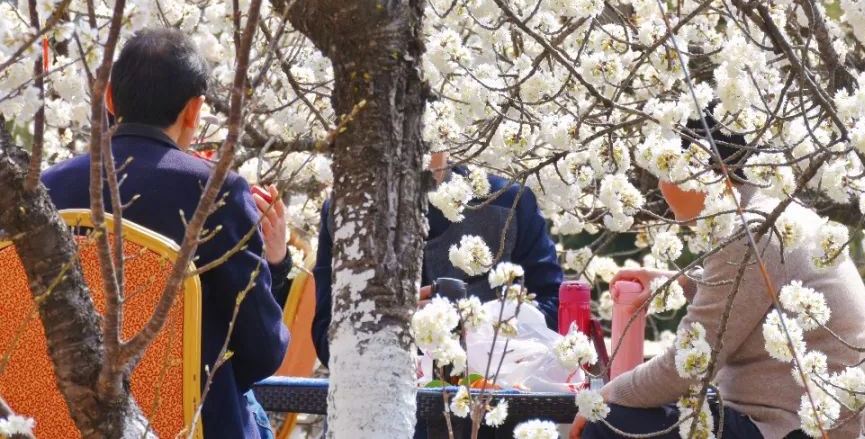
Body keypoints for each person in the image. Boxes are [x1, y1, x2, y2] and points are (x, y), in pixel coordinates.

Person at [42, 28, 291, 439]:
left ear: (109, 98)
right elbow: (262, 350)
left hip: (53, 421)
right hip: (187, 425)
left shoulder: (44, 189)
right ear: (193, 110)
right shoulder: (215, 192)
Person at [572, 111, 865, 439]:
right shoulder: (769, 213)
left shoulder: (747, 231)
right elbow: (745, 295)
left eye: (666, 168)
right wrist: (674, 283)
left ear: (704, 170)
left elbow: (687, 367)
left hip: (789, 428)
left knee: (609, 422)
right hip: (803, 421)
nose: (660, 184)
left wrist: (606, 397)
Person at [310, 150, 563, 367]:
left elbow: (557, 312)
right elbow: (326, 341)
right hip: (379, 402)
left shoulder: (507, 202)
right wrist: (391, 322)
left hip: (496, 402)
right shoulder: (347, 214)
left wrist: (479, 323)